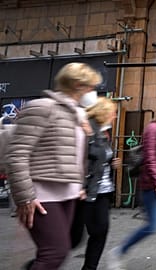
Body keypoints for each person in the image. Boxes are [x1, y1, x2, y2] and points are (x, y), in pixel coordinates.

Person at [6, 62, 101, 270]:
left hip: (67, 194)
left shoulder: (78, 114)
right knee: (54, 254)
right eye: (91, 87)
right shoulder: (43, 108)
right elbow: (18, 153)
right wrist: (25, 197)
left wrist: (81, 186)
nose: (93, 92)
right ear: (77, 84)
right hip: (42, 194)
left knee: (58, 251)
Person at [107, 99, 156, 270]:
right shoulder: (153, 128)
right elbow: (150, 158)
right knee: (153, 226)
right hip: (153, 185)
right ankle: (119, 251)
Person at [79, 97, 121, 270]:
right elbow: (80, 160)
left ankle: (90, 267)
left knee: (101, 231)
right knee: (74, 236)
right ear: (104, 112)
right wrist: (81, 185)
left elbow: (102, 158)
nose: (115, 116)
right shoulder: (87, 130)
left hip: (103, 191)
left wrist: (112, 164)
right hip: (87, 191)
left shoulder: (105, 132)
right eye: (113, 112)